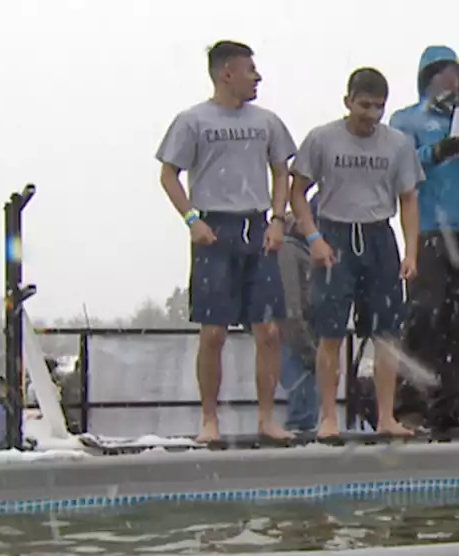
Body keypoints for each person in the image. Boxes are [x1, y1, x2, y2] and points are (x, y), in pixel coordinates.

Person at [155, 40, 297, 444]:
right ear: (226, 73)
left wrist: (278, 219)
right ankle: (209, 419)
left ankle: (266, 418)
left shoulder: (267, 121)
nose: (257, 77)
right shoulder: (192, 120)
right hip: (214, 228)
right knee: (213, 331)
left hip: (258, 226)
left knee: (268, 330)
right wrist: (191, 219)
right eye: (249, 69)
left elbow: (281, 171)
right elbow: (169, 174)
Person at [288, 67, 423, 438]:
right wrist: (312, 236)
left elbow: (408, 199)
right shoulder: (321, 139)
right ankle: (328, 418)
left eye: (379, 107)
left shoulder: (397, 143)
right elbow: (296, 191)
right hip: (335, 233)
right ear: (347, 101)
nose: (371, 115)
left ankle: (386, 417)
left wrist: (411, 252)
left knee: (386, 334)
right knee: (330, 332)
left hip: (379, 236)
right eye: (364, 105)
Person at [388, 45, 459, 432]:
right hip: (429, 232)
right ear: (427, 76)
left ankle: (455, 406)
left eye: (457, 74)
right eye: (443, 73)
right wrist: (438, 150)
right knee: (425, 318)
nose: (451, 81)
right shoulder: (405, 119)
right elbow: (400, 164)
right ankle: (412, 406)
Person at [276, 210, 319, 433]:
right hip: (293, 339)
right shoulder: (289, 250)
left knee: (307, 405)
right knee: (303, 406)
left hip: (302, 336)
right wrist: (308, 350)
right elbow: (290, 305)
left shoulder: (300, 249)